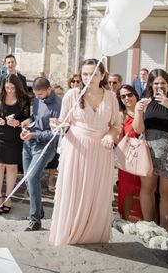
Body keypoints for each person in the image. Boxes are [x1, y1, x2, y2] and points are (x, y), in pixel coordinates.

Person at [49, 59, 121, 246]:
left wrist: (110, 136)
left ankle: (93, 234)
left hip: (101, 151)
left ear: (102, 75)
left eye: (94, 74)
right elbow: (64, 122)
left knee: (96, 192)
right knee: (75, 190)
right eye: (85, 74)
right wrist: (57, 124)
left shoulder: (111, 97)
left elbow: (116, 126)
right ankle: (71, 232)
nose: (89, 78)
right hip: (76, 150)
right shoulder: (72, 95)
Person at [133, 68, 168, 229]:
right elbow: (138, 129)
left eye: (163, 83)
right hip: (150, 152)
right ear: (151, 85)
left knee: (166, 193)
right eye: (156, 83)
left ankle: (163, 229)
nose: (159, 86)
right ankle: (149, 226)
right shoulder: (145, 103)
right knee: (147, 189)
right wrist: (138, 111)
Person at [21, 77, 62, 231]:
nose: (37, 98)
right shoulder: (37, 100)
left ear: (49, 90)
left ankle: (35, 219)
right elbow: (36, 118)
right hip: (29, 143)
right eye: (35, 95)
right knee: (27, 179)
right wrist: (28, 121)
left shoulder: (58, 105)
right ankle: (39, 210)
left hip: (45, 147)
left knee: (32, 177)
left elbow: (55, 134)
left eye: (40, 94)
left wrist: (35, 135)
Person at [0, 74, 29, 215]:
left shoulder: (24, 100)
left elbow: (28, 119)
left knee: (12, 167)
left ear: (17, 87)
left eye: (12, 88)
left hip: (14, 137)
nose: (10, 91)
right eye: (7, 88)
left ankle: (8, 197)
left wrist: (18, 123)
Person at [116, 84, 143, 221]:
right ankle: (126, 220)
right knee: (127, 190)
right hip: (128, 158)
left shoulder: (144, 111)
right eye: (123, 96)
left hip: (146, 157)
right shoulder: (121, 116)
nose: (127, 98)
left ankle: (144, 220)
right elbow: (118, 140)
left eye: (129, 94)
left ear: (136, 95)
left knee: (145, 190)